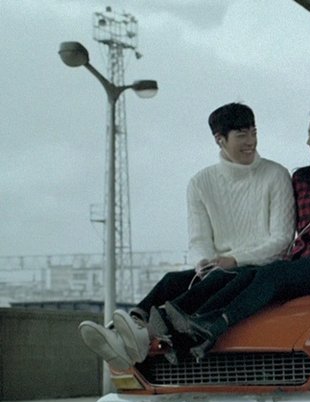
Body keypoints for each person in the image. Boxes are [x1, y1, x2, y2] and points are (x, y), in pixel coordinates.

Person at [164, 105, 310, 361]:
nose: (308, 141)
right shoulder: (303, 179)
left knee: (273, 273)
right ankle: (191, 327)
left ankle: (215, 323)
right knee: (247, 274)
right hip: (303, 262)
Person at [78, 102, 295, 370]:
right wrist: (203, 262)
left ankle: (136, 338)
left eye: (254, 132)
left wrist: (233, 259)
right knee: (173, 280)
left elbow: (282, 239)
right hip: (219, 270)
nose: (251, 141)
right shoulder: (200, 183)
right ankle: (127, 332)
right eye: (242, 135)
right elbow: (199, 238)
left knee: (213, 281)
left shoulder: (276, 175)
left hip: (257, 270)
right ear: (220, 139)